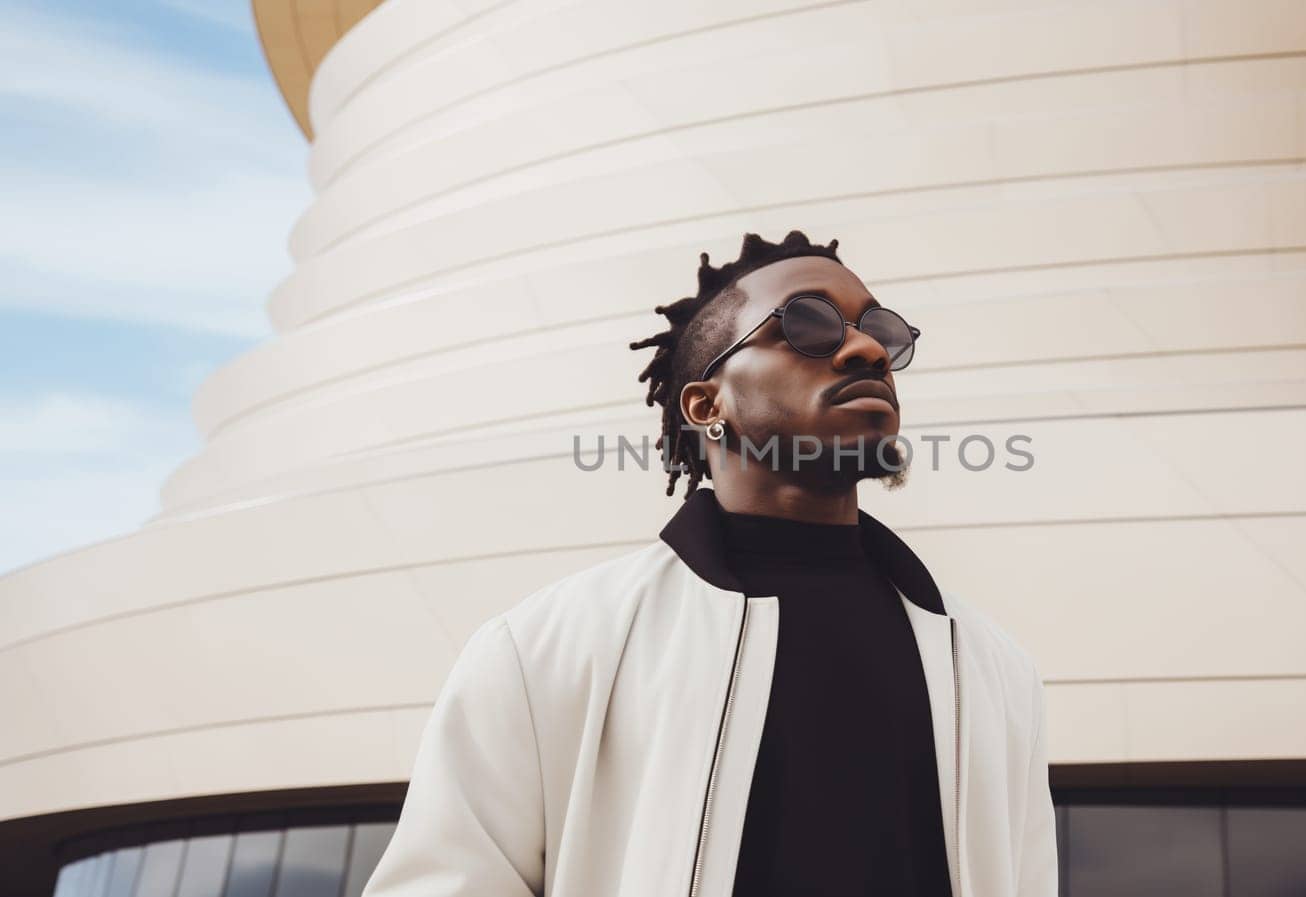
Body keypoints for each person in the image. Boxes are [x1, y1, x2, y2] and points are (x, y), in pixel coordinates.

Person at [360, 230, 1058, 897]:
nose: (866, 347)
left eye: (880, 329)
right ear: (706, 404)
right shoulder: (549, 647)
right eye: (808, 325)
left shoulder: (993, 668)